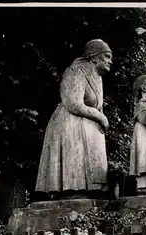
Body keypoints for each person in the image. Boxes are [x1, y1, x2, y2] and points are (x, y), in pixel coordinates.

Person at [35, 39, 113, 200]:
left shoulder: (98, 78)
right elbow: (73, 103)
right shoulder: (75, 71)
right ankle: (71, 189)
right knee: (74, 166)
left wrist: (100, 117)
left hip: (88, 127)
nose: (110, 61)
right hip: (69, 123)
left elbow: (97, 105)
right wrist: (100, 116)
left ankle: (90, 190)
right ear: (93, 57)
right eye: (107, 56)